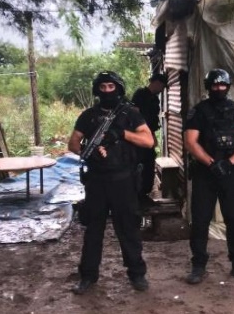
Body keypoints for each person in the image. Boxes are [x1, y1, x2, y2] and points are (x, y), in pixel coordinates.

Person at [68, 70, 156, 294]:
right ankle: (88, 276)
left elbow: (148, 141)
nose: (107, 91)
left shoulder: (130, 114)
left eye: (111, 86)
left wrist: (122, 134)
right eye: (103, 87)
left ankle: (137, 274)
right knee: (93, 230)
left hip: (123, 180)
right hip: (97, 181)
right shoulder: (88, 116)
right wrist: (88, 153)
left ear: (118, 88)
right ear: (97, 90)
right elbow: (73, 143)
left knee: (128, 229)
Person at [183, 68, 234, 284]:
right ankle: (198, 265)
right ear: (209, 87)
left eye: (223, 85)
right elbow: (190, 142)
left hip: (230, 173)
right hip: (205, 173)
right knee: (200, 221)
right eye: (215, 85)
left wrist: (229, 163)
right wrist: (211, 163)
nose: (219, 88)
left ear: (228, 87)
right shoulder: (198, 112)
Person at [131, 73, 168, 201]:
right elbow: (135, 115)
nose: (162, 90)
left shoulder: (155, 99)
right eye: (162, 86)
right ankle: (138, 194)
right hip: (140, 136)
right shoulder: (140, 94)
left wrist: (152, 135)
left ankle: (145, 193)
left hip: (149, 134)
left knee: (149, 162)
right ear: (156, 83)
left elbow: (153, 119)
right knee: (140, 163)